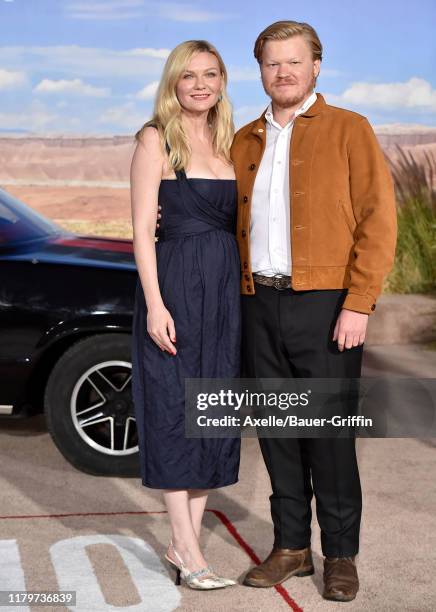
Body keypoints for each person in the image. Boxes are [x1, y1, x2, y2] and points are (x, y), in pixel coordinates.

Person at [230, 21, 397, 602]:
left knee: (328, 437)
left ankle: (341, 554)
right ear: (261, 71)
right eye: (273, 63)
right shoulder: (245, 139)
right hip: (259, 304)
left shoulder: (350, 129)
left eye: (294, 62)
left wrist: (358, 304)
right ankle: (292, 546)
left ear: (316, 66)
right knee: (277, 433)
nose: (284, 73)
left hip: (327, 308)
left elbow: (378, 222)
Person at [130, 39, 241, 590]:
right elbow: (141, 233)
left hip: (224, 296)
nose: (200, 84)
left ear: (222, 81)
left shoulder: (232, 143)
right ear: (173, 82)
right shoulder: (156, 139)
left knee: (212, 413)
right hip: (174, 290)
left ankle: (183, 545)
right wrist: (155, 304)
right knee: (175, 411)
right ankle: (191, 553)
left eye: (211, 74)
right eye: (189, 75)